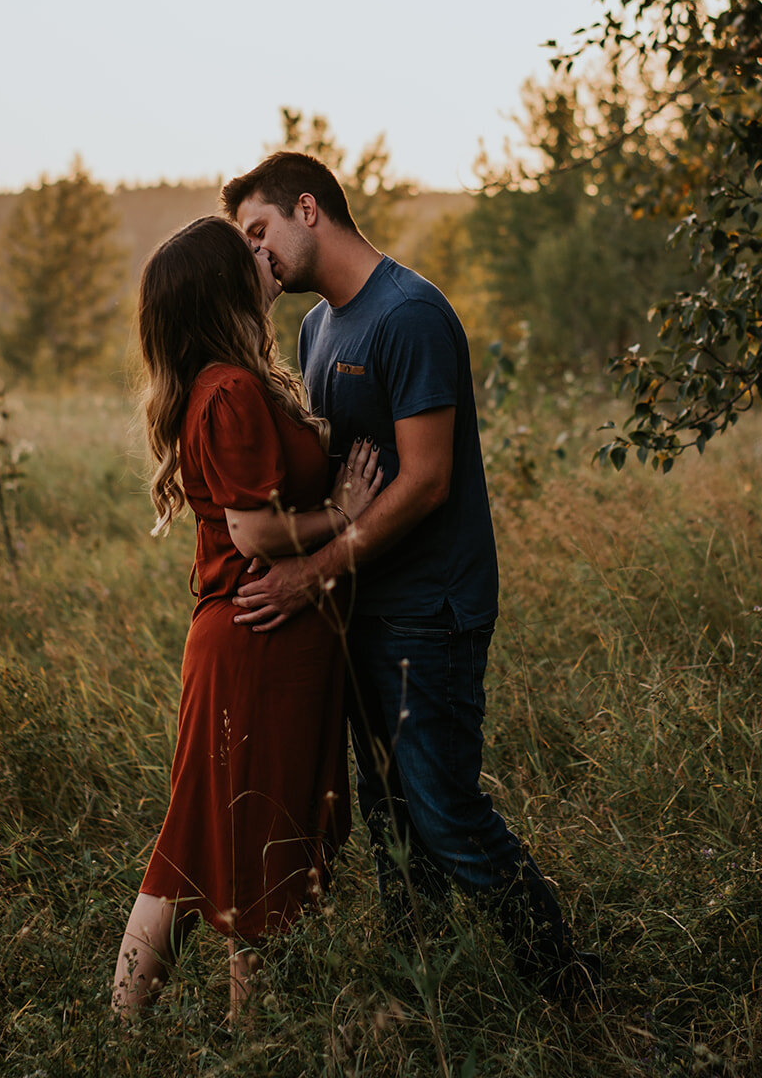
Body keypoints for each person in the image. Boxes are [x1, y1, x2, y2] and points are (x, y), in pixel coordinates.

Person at [222, 153, 601, 1004]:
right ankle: (423, 993)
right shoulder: (319, 328)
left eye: (258, 232)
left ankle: (570, 991)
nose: (254, 255)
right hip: (361, 608)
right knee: (389, 814)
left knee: (446, 813)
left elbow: (425, 482)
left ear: (307, 209)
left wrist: (306, 575)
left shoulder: (410, 314)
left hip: (428, 611)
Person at [111, 216, 382, 1023]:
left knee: (217, 840)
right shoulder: (227, 390)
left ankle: (206, 1030)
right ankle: (210, 1029)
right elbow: (253, 530)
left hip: (266, 641)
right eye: (248, 253)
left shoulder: (232, 380)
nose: (264, 257)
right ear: (223, 288)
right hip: (255, 639)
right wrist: (342, 513)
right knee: (235, 842)